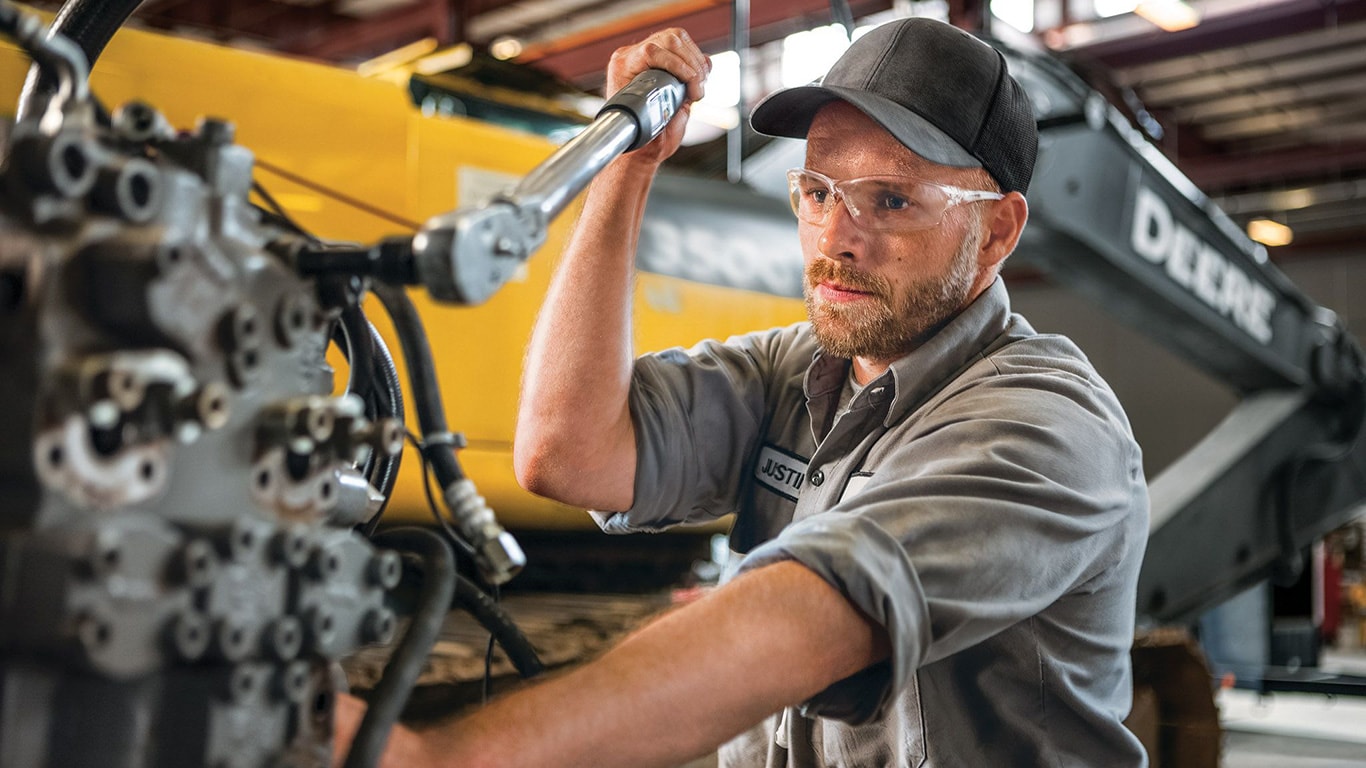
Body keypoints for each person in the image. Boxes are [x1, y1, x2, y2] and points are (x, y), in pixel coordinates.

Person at [335, 16, 1150, 768]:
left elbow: (815, 614)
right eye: (819, 192)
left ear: (998, 231)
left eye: (891, 200)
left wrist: (438, 760)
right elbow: (568, 454)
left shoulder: (1046, 427)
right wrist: (628, 170)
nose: (835, 238)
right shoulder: (793, 373)